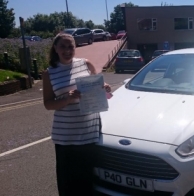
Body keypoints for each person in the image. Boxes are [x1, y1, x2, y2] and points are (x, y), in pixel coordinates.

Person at [42, 33, 111, 195]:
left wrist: (105, 87)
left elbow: (98, 87)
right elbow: (48, 104)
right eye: (63, 46)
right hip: (66, 137)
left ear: (75, 47)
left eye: (70, 46)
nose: (67, 50)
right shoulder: (49, 73)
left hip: (89, 132)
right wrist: (67, 99)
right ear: (56, 49)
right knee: (68, 184)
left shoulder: (85, 64)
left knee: (88, 182)